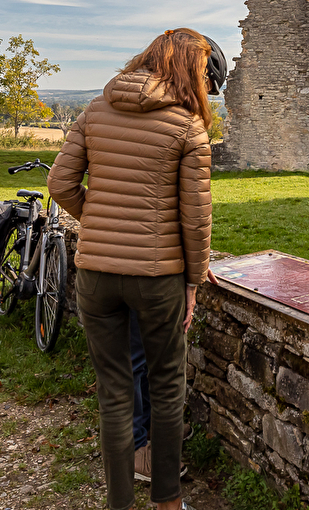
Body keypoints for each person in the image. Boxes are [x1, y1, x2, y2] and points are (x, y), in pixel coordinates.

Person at [48, 28, 225, 510]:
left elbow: (61, 183)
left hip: (96, 277)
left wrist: (101, 223)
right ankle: (167, 502)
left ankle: (120, 504)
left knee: (114, 394)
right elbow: (196, 215)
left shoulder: (95, 109)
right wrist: (194, 279)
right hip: (158, 277)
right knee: (167, 389)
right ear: (191, 69)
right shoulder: (187, 126)